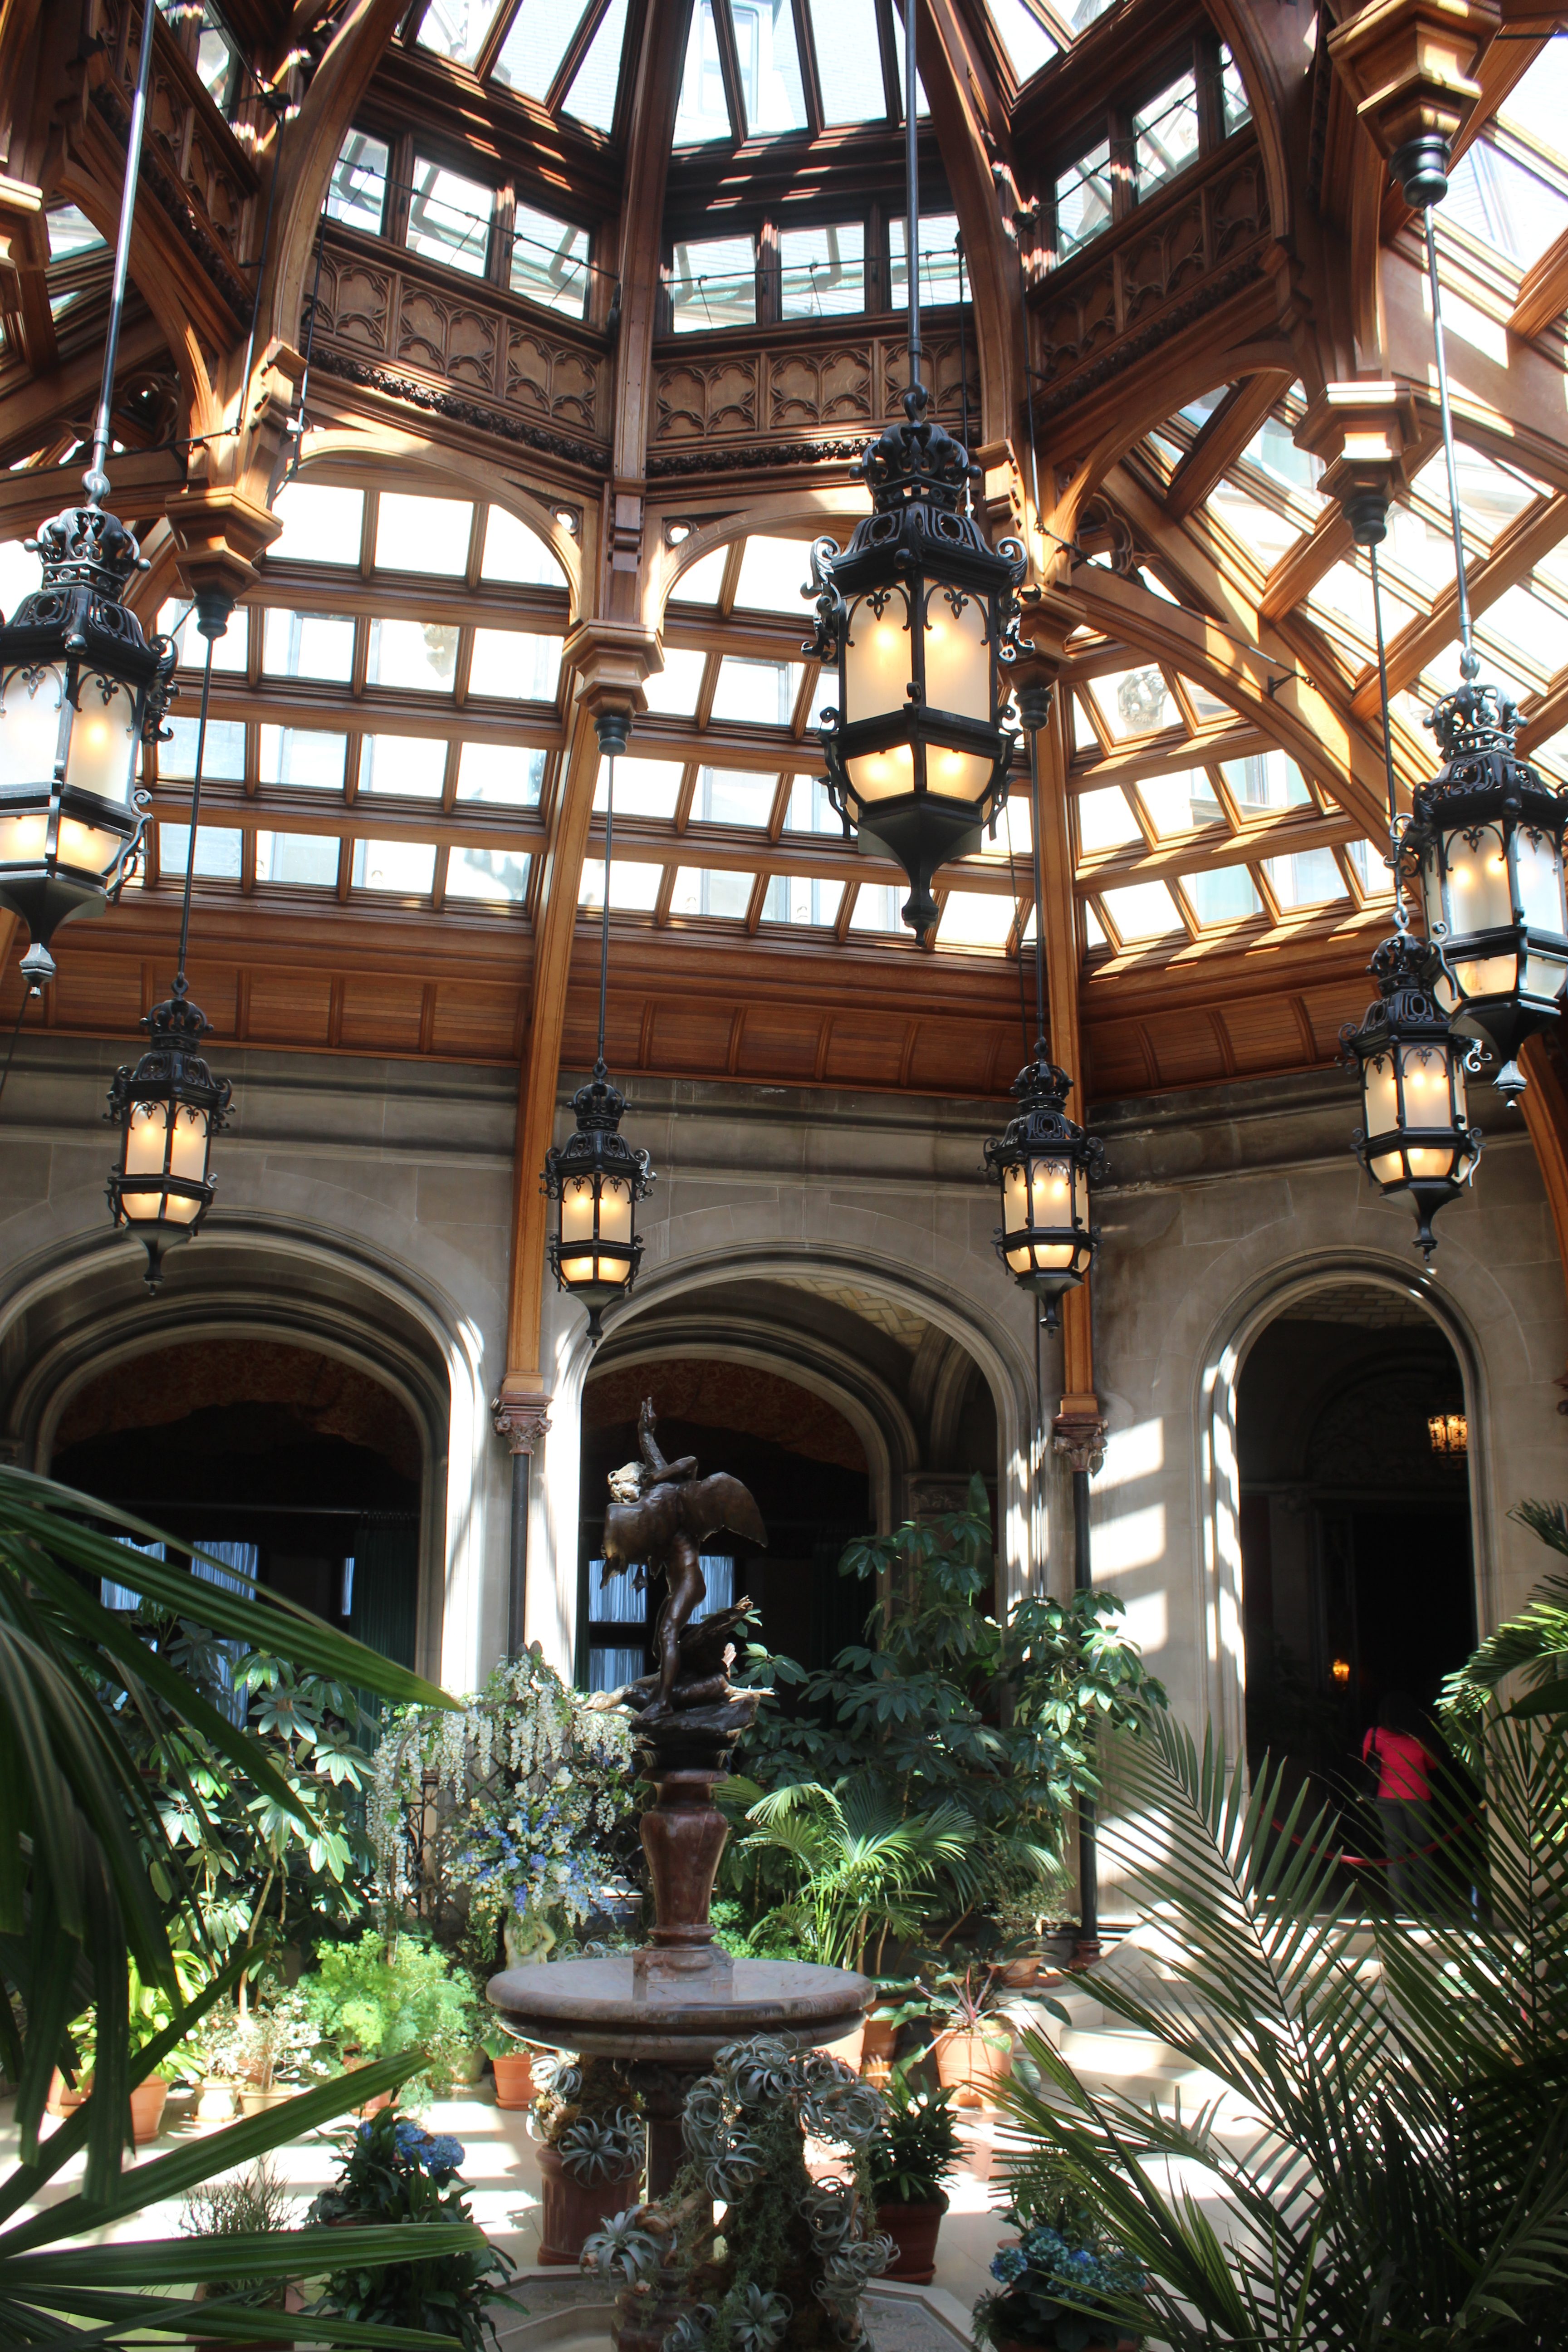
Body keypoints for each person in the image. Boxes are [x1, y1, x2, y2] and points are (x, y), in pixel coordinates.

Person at [1363, 1691, 1437, 1913]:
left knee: (1395, 1852)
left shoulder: (1375, 1734)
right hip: (1418, 1798)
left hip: (1386, 1797)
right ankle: (1424, 1906)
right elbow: (1433, 1765)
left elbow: (1366, 1762)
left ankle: (1400, 1907)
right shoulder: (1420, 1737)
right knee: (1422, 1850)